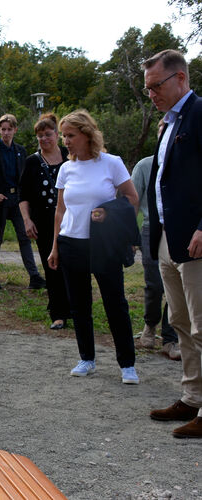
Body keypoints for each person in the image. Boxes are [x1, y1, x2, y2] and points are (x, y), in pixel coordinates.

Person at [48, 109, 140, 385]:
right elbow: (60, 211)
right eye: (63, 135)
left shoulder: (111, 163)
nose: (65, 140)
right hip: (71, 243)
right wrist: (55, 247)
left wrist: (109, 216)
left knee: (116, 304)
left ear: (87, 135)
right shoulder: (66, 168)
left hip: (104, 245)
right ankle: (87, 358)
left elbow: (132, 198)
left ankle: (127, 364)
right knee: (79, 305)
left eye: (70, 135)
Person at [142, 49, 202, 438]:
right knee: (180, 322)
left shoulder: (200, 114)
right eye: (147, 90)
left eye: (156, 86)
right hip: (168, 237)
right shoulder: (167, 122)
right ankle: (192, 396)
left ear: (180, 78)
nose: (151, 95)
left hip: (196, 239)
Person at [0, 114, 46, 290]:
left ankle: (34, 277)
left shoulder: (20, 151)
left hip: (17, 200)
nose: (6, 133)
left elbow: (25, 178)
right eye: (3, 129)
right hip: (0, 201)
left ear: (15, 130)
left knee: (24, 236)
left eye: (9, 129)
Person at [131, 118, 179, 360]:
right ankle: (150, 326)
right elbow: (133, 202)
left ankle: (170, 339)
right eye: (163, 132)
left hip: (178, 229)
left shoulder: (185, 163)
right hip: (151, 229)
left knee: (175, 286)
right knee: (155, 284)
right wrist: (130, 235)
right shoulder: (144, 166)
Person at [19, 114, 71, 330]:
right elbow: (23, 195)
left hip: (71, 220)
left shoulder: (71, 156)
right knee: (52, 266)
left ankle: (74, 308)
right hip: (44, 222)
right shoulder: (32, 162)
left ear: (57, 135)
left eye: (48, 134)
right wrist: (27, 220)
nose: (44, 139)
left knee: (72, 265)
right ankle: (58, 313)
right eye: (40, 136)